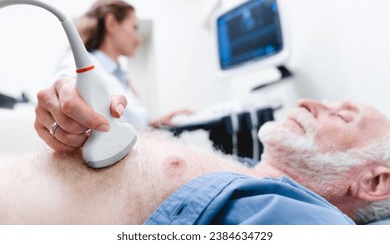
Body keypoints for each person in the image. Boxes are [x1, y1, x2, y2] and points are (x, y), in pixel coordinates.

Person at [5, 78, 384, 224]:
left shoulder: (315, 226)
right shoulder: (247, 171)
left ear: (375, 182)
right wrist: (71, 118)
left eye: (343, 116)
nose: (308, 102)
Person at [56, 0, 191, 130]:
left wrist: (154, 124)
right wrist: (63, 90)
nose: (139, 39)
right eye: (134, 27)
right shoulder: (79, 63)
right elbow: (66, 84)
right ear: (111, 23)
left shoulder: (121, 75)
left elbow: (126, 124)